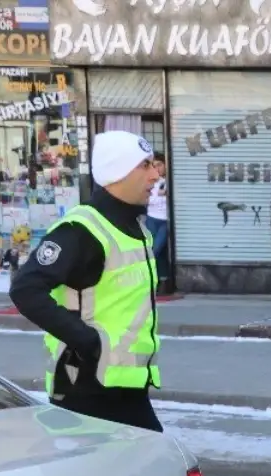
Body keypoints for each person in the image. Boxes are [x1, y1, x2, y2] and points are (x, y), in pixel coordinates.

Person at [9, 130, 162, 433]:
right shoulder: (83, 229)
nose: (155, 175)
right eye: (145, 165)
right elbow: (26, 289)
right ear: (118, 172)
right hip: (87, 387)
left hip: (125, 386)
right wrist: (88, 342)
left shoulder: (134, 228)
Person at [146, 152, 171, 294]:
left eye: (160, 165)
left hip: (164, 220)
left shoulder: (170, 181)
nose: (157, 169)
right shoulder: (151, 182)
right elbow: (147, 200)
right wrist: (157, 195)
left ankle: (153, 281)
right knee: (158, 252)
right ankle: (163, 281)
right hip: (151, 218)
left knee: (154, 250)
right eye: (154, 166)